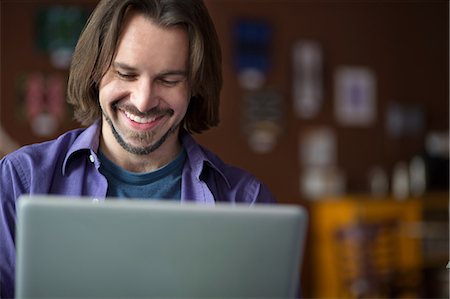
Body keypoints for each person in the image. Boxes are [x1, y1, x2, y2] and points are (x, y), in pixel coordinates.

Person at [0, 0, 276, 297]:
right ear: (95, 70)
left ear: (195, 85)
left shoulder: (247, 204)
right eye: (126, 74)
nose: (143, 101)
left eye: (168, 80)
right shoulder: (19, 181)